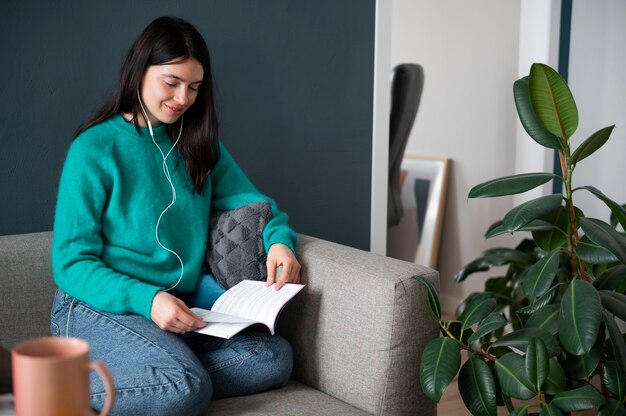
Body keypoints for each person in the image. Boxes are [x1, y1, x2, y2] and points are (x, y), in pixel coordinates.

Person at [50, 16, 301, 415]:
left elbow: (253, 202)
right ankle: (46, 392)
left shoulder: (199, 145)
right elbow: (70, 262)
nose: (183, 98)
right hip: (97, 305)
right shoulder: (94, 148)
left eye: (194, 87)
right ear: (139, 71)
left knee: (272, 357)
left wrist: (280, 242)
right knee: (184, 388)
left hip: (177, 308)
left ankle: (164, 375)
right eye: (172, 82)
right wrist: (148, 300)